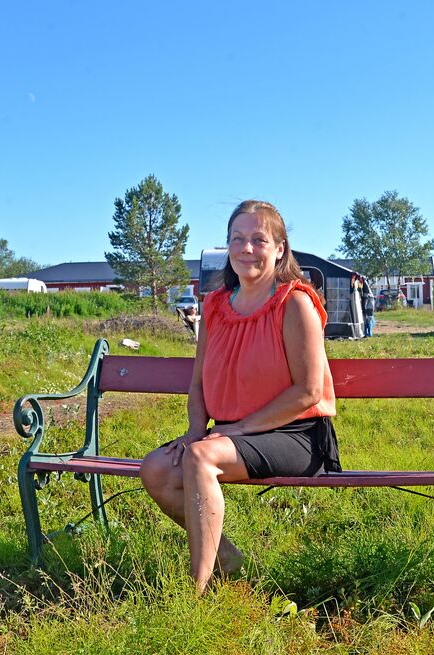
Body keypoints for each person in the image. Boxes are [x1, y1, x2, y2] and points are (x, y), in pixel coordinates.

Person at [139, 200, 342, 593]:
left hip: (297, 434)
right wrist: (197, 429)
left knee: (201, 458)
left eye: (258, 240)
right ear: (227, 247)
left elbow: (308, 392)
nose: (246, 248)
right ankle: (228, 559)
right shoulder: (213, 306)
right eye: (237, 239)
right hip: (233, 433)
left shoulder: (294, 302)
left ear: (280, 248)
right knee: (156, 469)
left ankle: (195, 593)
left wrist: (237, 430)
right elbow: (198, 382)